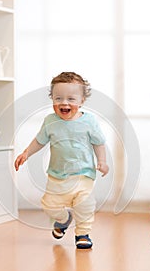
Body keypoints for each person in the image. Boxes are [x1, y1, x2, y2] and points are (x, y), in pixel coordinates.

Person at [14, 72, 109, 249]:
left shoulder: (89, 121)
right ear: (52, 100)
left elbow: (99, 143)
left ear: (82, 101)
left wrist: (102, 161)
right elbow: (39, 141)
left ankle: (82, 233)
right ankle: (64, 220)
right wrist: (26, 153)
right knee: (49, 206)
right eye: (58, 98)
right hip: (57, 176)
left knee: (84, 205)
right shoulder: (50, 121)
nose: (64, 103)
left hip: (83, 175)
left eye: (71, 99)